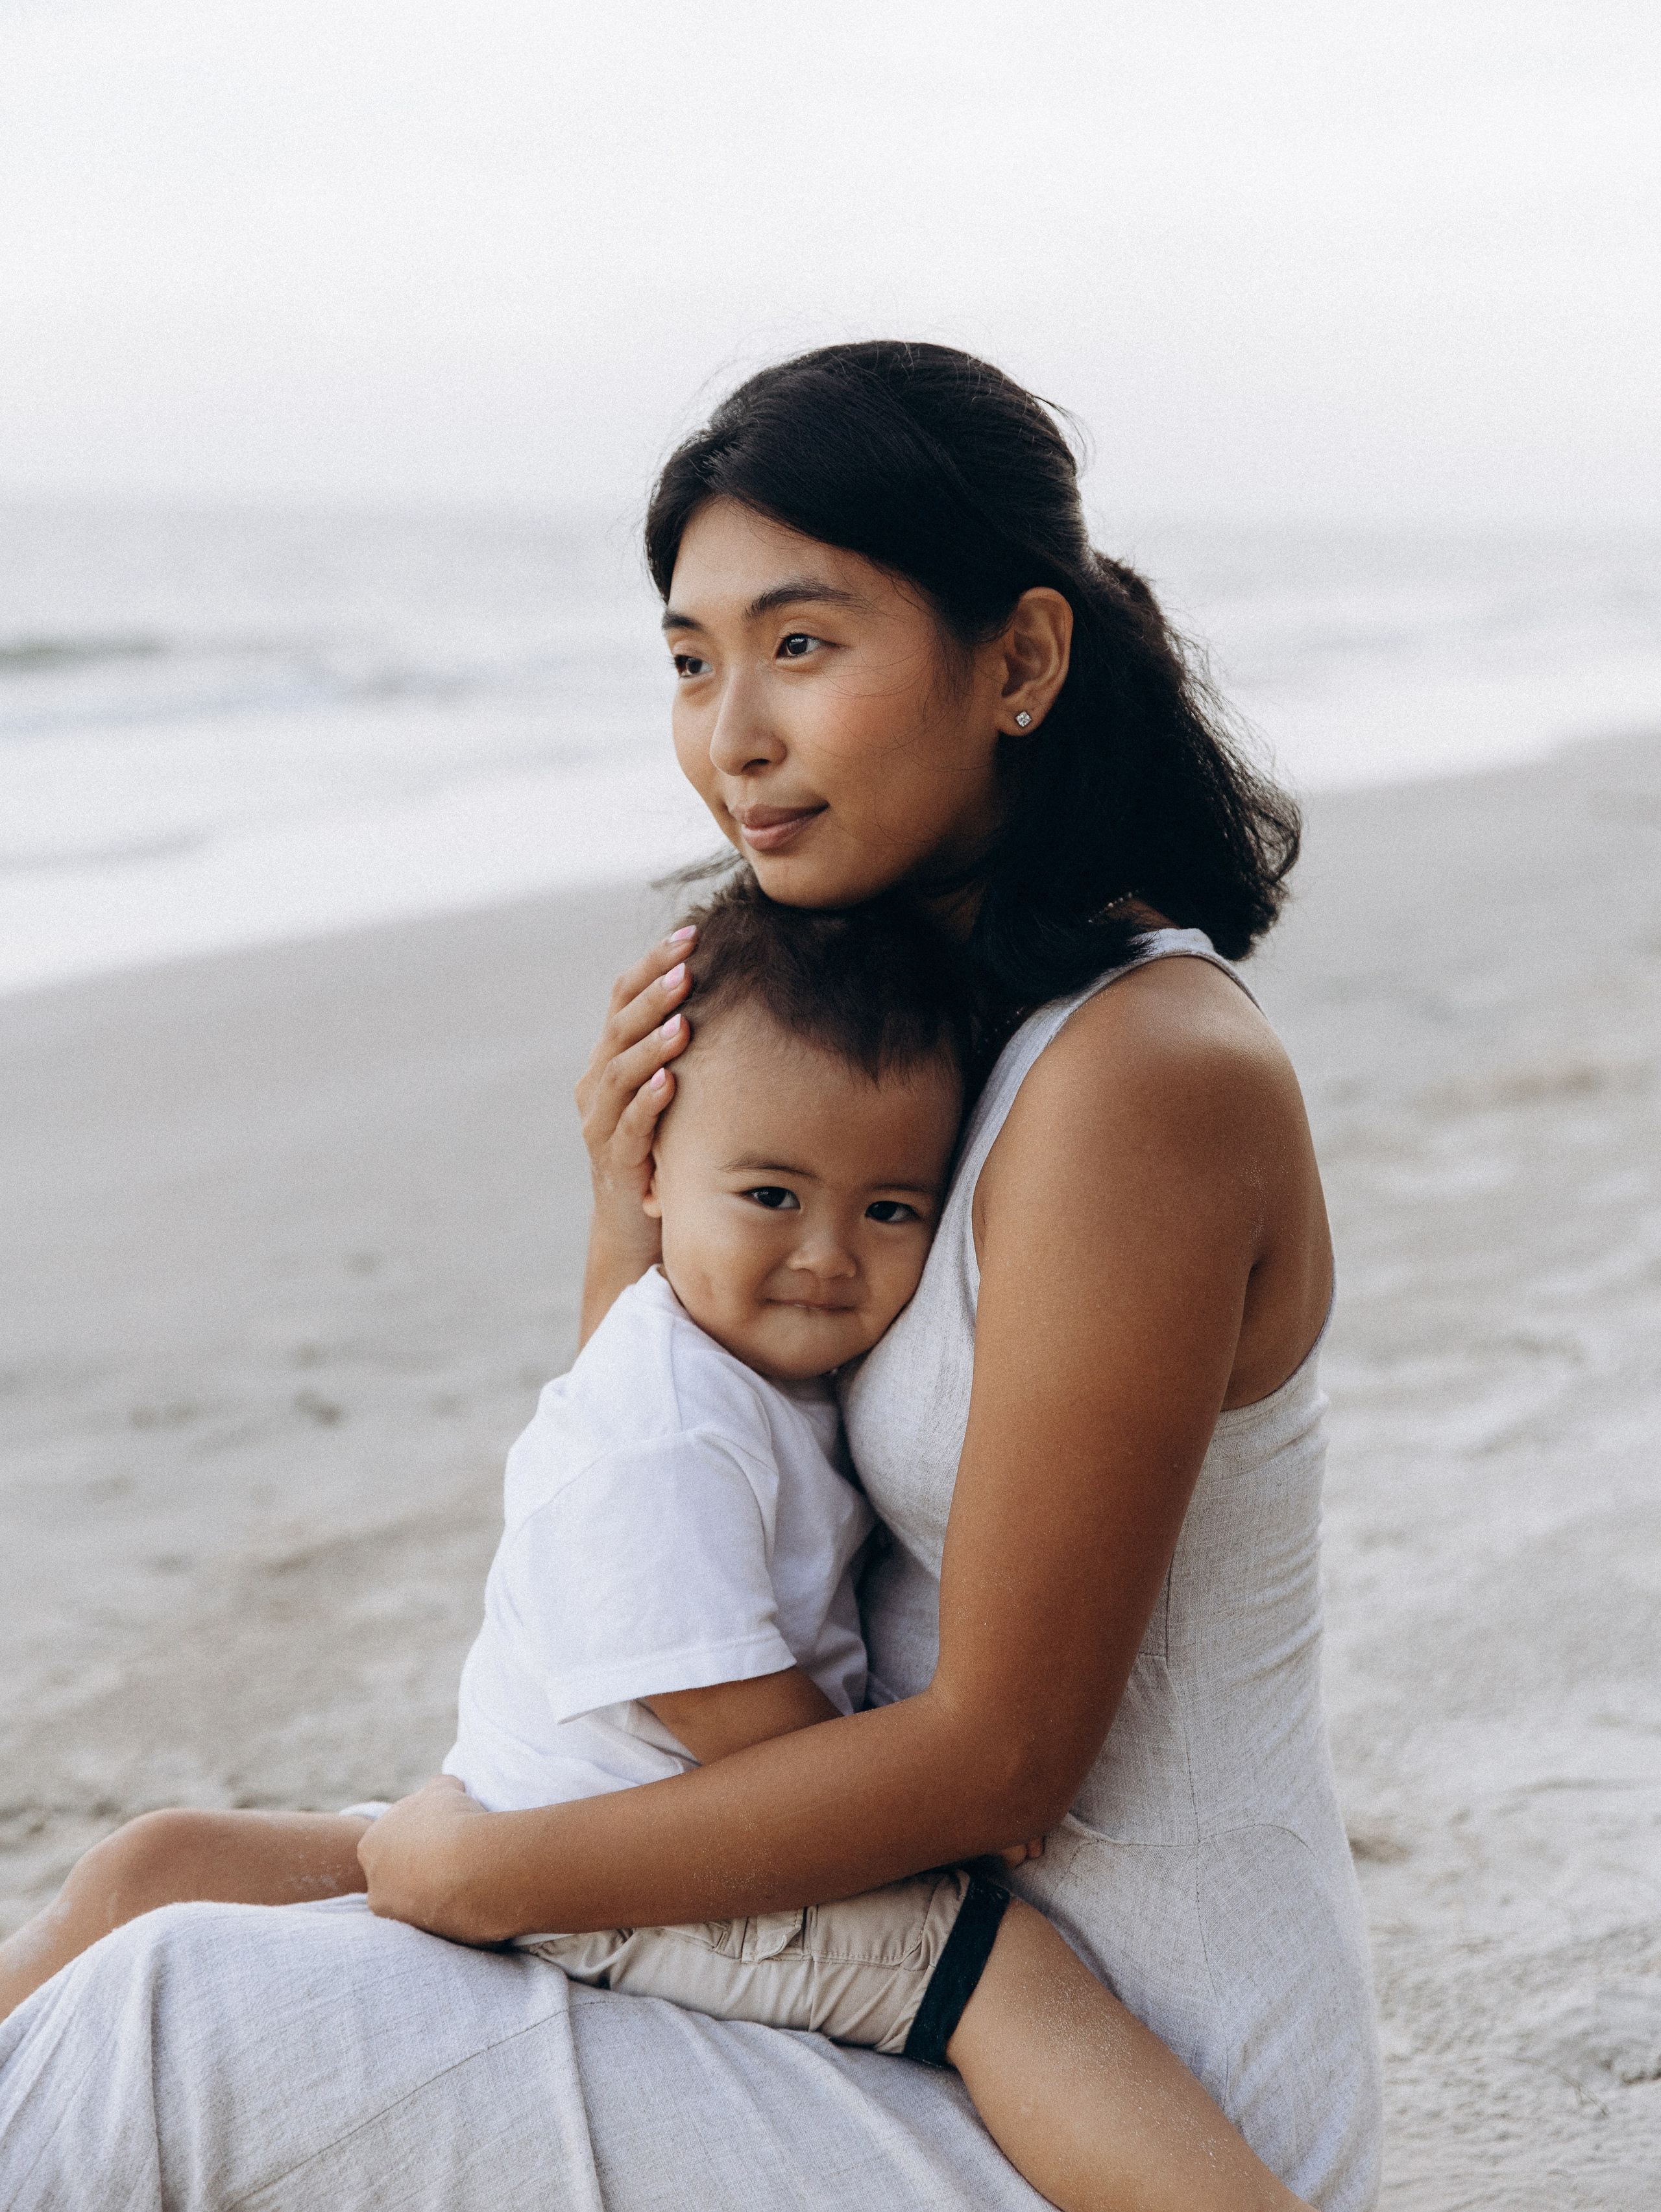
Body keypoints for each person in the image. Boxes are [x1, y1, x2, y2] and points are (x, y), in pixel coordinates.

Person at [0, 341, 1382, 2211]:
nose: (731, 731)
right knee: (153, 1872)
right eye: (689, 656)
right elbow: (664, 1484)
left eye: (802, 645)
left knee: (165, 2019)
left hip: (1096, 2064)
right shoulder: (891, 1028)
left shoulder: (1145, 1080)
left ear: (1024, 663)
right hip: (848, 1920)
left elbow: (1004, 1758)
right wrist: (625, 1216)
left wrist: (486, 1874)